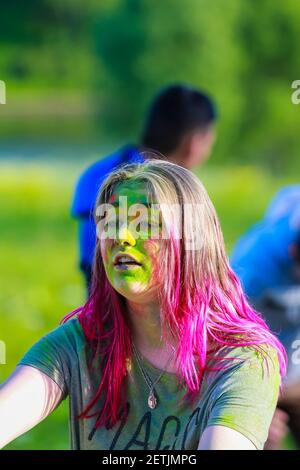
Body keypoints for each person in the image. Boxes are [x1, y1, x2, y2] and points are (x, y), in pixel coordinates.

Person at [0, 159, 287, 450]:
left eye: (145, 224)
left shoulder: (243, 360)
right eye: (111, 223)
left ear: (191, 240)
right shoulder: (79, 344)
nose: (121, 238)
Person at [71, 84, 217, 294]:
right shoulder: (177, 194)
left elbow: (89, 260)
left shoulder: (95, 174)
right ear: (195, 142)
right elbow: (198, 270)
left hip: (99, 299)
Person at [230, 185, 300, 449]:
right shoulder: (253, 270)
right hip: (256, 374)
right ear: (294, 254)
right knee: (262, 439)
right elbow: (224, 339)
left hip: (296, 370)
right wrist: (250, 400)